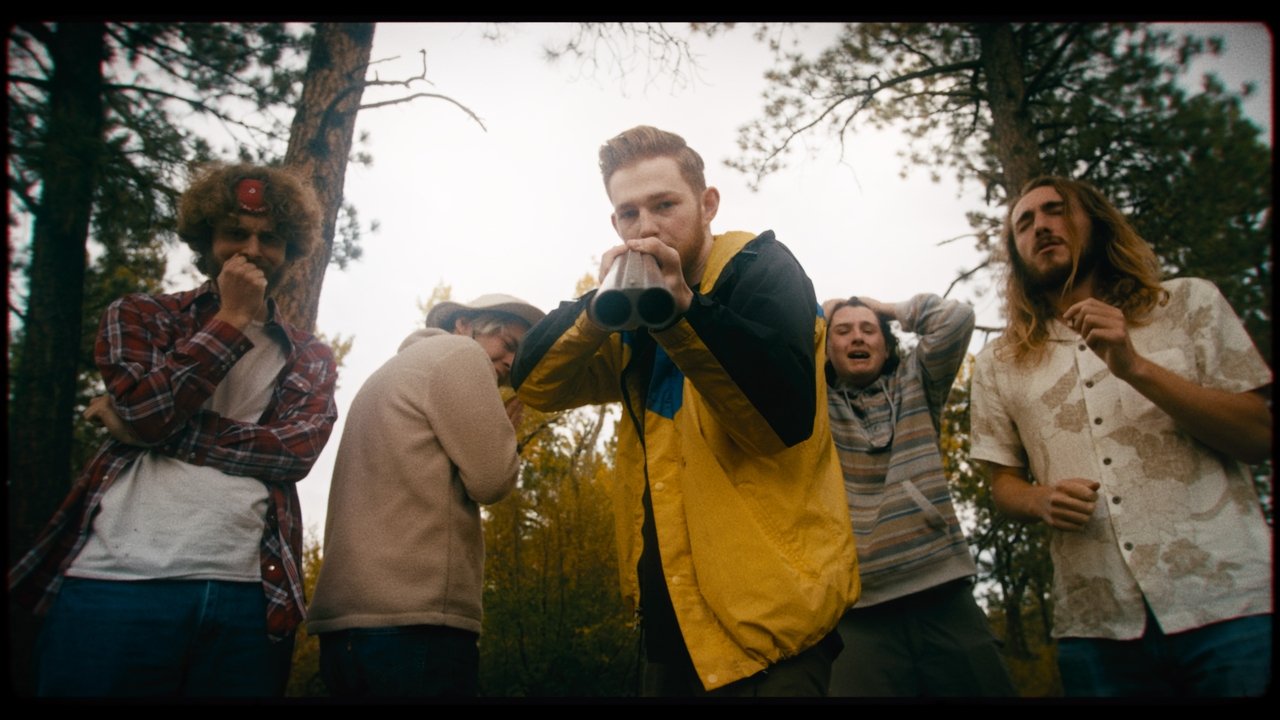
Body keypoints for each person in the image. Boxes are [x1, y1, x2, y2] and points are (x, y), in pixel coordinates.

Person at [511, 126, 858, 697]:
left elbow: (777, 419)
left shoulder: (762, 265)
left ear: (708, 203)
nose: (646, 228)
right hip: (669, 631)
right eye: (628, 214)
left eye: (664, 205)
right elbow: (537, 383)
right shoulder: (625, 313)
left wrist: (681, 312)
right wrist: (599, 312)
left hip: (773, 632)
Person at [9, 164, 338, 697]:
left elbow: (293, 454)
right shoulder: (140, 315)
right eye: (236, 232)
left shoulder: (310, 355)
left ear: (289, 250)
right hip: (115, 582)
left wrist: (139, 427)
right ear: (206, 238)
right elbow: (149, 413)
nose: (252, 249)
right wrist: (230, 319)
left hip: (248, 593)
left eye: (270, 238)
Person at [969, 176, 1272, 697]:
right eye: (1024, 223)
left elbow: (1259, 436)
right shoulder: (1001, 362)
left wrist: (1134, 366)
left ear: (1096, 223)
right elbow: (1003, 485)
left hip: (1232, 609)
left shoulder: (1187, 303)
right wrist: (1039, 499)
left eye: (1056, 211)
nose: (1040, 226)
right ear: (1016, 253)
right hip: (1097, 631)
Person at [307, 293, 544, 698]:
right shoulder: (460, 355)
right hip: (414, 622)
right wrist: (504, 435)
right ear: (464, 325)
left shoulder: (393, 371)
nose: (510, 363)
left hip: (346, 626)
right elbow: (492, 481)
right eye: (507, 345)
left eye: (518, 357)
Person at [823, 294, 1014, 697]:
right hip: (858, 610)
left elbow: (956, 319)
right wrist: (818, 315)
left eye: (868, 329)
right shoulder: (813, 406)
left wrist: (885, 308)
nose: (857, 337)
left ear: (887, 345)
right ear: (825, 348)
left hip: (943, 593)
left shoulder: (917, 381)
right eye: (842, 331)